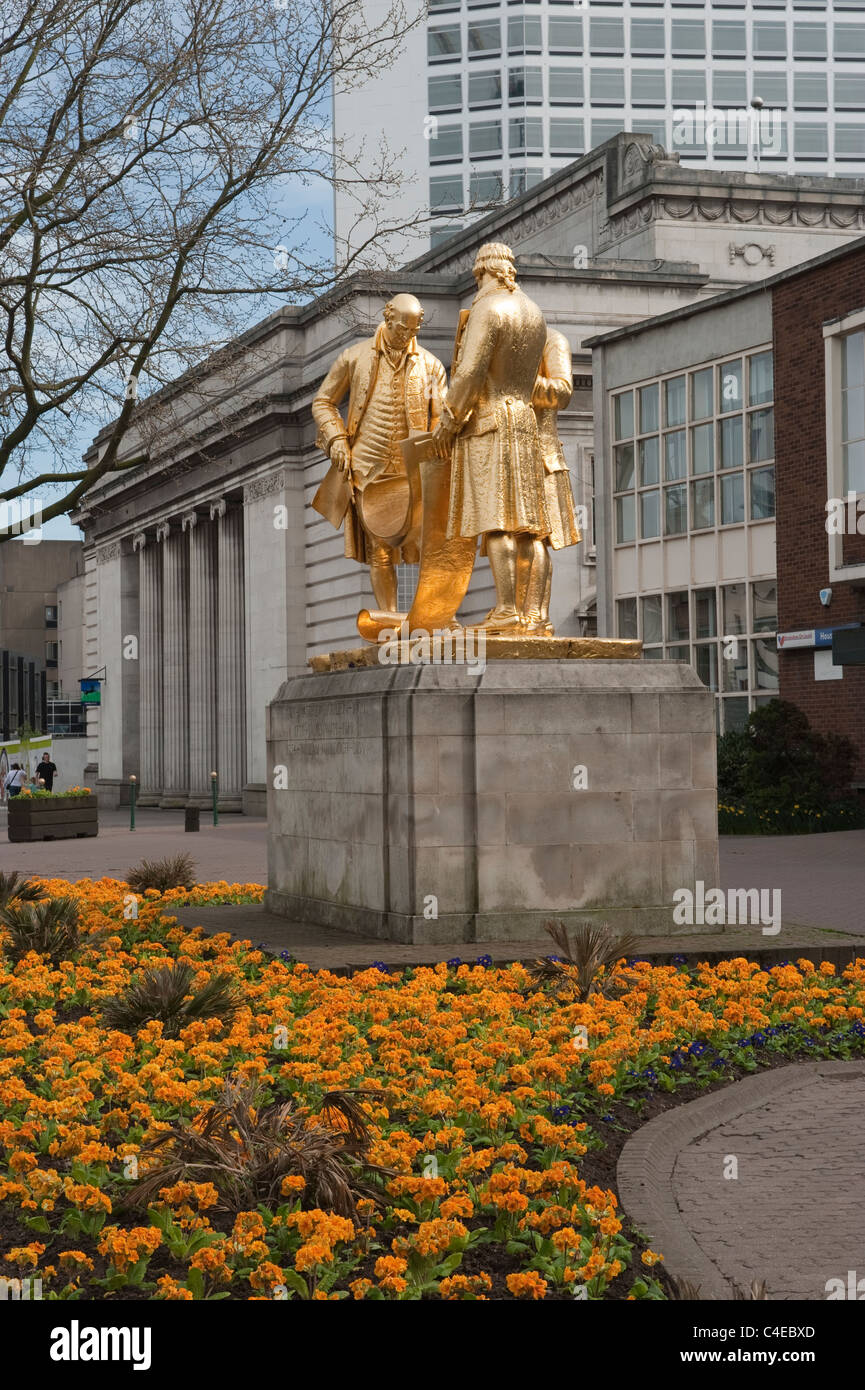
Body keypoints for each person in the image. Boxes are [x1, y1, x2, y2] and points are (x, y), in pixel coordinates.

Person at [433, 242, 550, 632]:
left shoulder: (487, 308)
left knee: (498, 521)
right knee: (530, 526)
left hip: (489, 423)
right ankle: (532, 614)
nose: (477, 283)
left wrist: (447, 421)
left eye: (477, 277)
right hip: (525, 422)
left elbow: (469, 374)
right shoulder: (533, 311)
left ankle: (505, 610)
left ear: (484, 272)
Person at [311, 294, 447, 612]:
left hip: (414, 473)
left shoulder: (430, 365)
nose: (407, 336)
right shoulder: (354, 357)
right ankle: (389, 619)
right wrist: (336, 440)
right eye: (402, 328)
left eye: (414, 331)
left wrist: (438, 449)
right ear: (387, 319)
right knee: (380, 551)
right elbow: (323, 402)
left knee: (431, 547)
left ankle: (432, 615)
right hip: (367, 471)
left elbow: (442, 415)